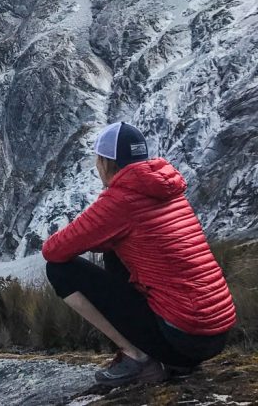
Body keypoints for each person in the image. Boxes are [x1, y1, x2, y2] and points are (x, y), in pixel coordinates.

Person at [41, 121, 236, 386]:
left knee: (59, 270)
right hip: (216, 334)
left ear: (105, 162)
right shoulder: (166, 188)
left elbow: (53, 250)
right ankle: (166, 357)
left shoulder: (120, 200)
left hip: (184, 338)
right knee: (113, 251)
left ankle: (138, 358)